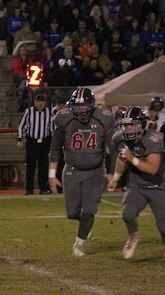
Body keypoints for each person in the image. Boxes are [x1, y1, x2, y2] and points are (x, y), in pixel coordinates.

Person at [48, 87, 116, 257]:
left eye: (83, 106)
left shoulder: (103, 119)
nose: (80, 110)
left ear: (91, 105)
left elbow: (113, 149)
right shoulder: (64, 119)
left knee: (89, 209)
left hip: (96, 171)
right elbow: (54, 149)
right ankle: (85, 223)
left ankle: (79, 243)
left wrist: (113, 173)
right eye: (77, 106)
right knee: (72, 213)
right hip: (72, 169)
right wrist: (52, 175)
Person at [107, 107, 165, 263]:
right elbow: (121, 158)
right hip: (136, 186)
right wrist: (116, 178)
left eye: (131, 124)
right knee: (128, 214)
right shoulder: (119, 138)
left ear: (141, 124)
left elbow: (152, 169)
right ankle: (133, 235)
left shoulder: (153, 139)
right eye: (125, 125)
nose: (127, 128)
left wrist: (132, 158)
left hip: (156, 187)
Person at [17, 92, 54, 195]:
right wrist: (19, 139)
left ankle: (43, 188)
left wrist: (53, 142)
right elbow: (21, 126)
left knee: (44, 166)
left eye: (42, 101)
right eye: (38, 101)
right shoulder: (29, 112)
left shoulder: (49, 112)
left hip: (44, 142)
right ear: (34, 102)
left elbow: (52, 127)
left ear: (45, 102)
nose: (40, 104)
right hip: (32, 142)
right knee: (30, 167)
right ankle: (29, 189)